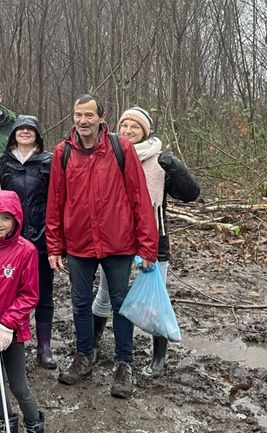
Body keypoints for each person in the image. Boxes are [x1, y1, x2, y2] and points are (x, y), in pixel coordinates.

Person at [45, 95, 158, 399]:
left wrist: (149, 246)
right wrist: (53, 246)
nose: (82, 121)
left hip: (117, 241)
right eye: (78, 114)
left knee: (121, 305)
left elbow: (139, 198)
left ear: (101, 117)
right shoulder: (62, 153)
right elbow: (55, 201)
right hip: (79, 243)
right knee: (80, 303)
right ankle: (84, 358)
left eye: (88, 115)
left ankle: (124, 364)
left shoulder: (121, 149)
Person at [91, 107, 200, 376]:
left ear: (145, 132)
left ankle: (159, 356)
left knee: (155, 298)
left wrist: (174, 166)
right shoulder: (110, 154)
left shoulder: (160, 161)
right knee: (106, 293)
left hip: (153, 239)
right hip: (115, 238)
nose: (128, 131)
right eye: (124, 125)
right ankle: (91, 344)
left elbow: (190, 194)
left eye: (135, 127)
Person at [0, 190, 45, 433]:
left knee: (18, 385)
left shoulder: (25, 251)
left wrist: (7, 323)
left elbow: (29, 295)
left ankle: (34, 422)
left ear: (16, 219)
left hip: (10, 330)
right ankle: (7, 421)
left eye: (5, 218)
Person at [0, 115, 57, 369]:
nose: (25, 133)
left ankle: (44, 346)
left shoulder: (48, 162)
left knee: (43, 293)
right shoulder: (2, 162)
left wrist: (52, 239)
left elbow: (56, 201)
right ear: (14, 133)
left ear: (38, 134)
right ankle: (9, 340)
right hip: (9, 238)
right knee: (7, 292)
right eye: (20, 129)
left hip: (40, 237)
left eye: (30, 129)